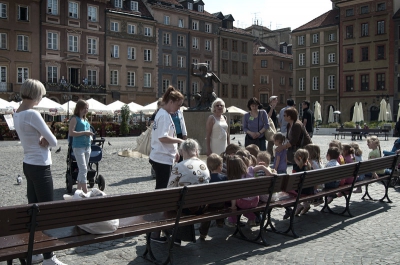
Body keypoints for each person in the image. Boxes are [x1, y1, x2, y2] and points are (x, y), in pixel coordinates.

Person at [13, 79, 67, 265]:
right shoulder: (32, 114)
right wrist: (45, 138)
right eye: (41, 95)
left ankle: (34, 251)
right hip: (41, 166)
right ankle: (49, 257)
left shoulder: (17, 114)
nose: (41, 98)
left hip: (28, 163)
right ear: (36, 94)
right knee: (45, 212)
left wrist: (42, 137)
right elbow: (54, 141)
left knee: (33, 210)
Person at [149, 85, 185, 243]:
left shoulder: (163, 113)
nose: (178, 108)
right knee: (163, 195)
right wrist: (179, 141)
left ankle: (160, 230)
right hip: (162, 159)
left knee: (163, 193)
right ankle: (156, 232)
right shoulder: (163, 115)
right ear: (171, 101)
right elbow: (163, 138)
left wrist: (174, 150)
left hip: (164, 156)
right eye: (178, 105)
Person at [167, 138, 210, 245]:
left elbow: (169, 190)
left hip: (186, 209)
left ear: (182, 151)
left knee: (174, 203)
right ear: (196, 150)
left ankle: (175, 236)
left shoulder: (178, 167)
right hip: (203, 206)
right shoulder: (204, 165)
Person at [225, 155, 259, 227]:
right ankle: (252, 219)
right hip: (255, 200)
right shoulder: (250, 171)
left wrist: (233, 206)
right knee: (244, 202)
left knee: (233, 204)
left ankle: (232, 221)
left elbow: (234, 196)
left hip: (244, 203)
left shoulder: (234, 179)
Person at [199, 153, 227, 240]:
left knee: (207, 214)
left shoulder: (207, 179)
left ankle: (203, 233)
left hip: (209, 206)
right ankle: (220, 221)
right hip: (221, 204)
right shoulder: (224, 178)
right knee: (221, 203)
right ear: (220, 166)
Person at [68, 99, 94, 194]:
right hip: (78, 147)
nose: (86, 110)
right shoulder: (75, 118)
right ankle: (85, 191)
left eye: (87, 108)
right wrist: (85, 133)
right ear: (79, 108)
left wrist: (90, 134)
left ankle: (78, 191)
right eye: (84, 108)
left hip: (87, 146)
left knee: (84, 169)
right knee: (83, 169)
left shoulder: (85, 120)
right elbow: (71, 133)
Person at [292, 149, 313, 215]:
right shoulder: (310, 168)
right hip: (310, 190)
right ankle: (306, 204)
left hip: (300, 192)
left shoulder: (296, 170)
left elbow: (293, 184)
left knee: (288, 190)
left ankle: (298, 205)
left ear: (297, 159)